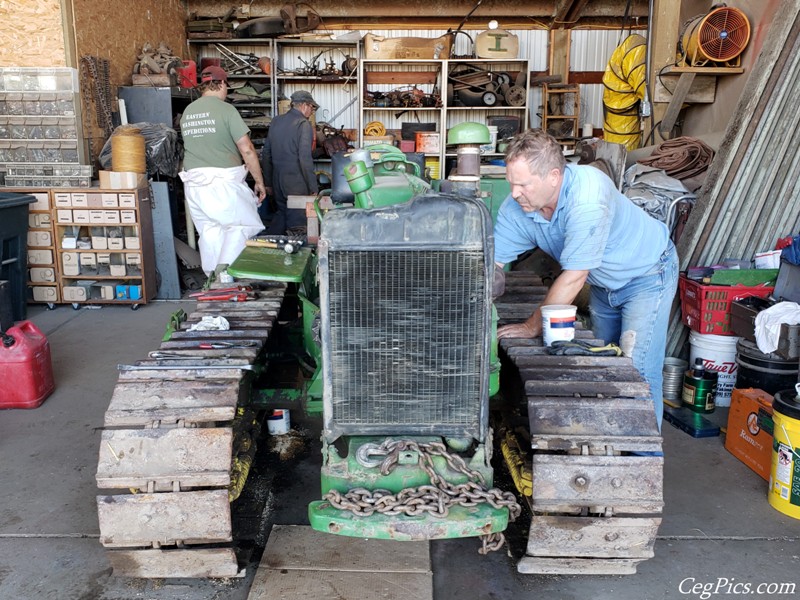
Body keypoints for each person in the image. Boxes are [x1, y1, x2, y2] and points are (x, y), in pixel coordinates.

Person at [493, 129, 678, 429]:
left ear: (554, 176)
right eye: (511, 183)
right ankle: (608, 442)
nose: (514, 193)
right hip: (604, 285)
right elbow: (493, 265)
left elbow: (575, 277)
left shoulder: (587, 197)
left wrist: (530, 327)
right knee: (601, 369)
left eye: (523, 184)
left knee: (638, 374)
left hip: (647, 275)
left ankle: (644, 460)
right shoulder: (517, 208)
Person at [179, 65, 266, 276]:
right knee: (240, 226)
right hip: (222, 183)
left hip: (195, 186)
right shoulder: (226, 110)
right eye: (227, 86)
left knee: (210, 232)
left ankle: (212, 280)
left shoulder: (188, 112)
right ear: (221, 84)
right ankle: (228, 277)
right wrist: (259, 182)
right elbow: (247, 149)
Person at [261, 90, 319, 235]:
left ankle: (267, 245)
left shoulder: (276, 121)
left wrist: (268, 182)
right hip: (296, 183)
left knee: (282, 215)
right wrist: (313, 188)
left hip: (277, 181)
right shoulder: (303, 124)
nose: (312, 112)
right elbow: (305, 158)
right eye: (312, 107)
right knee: (297, 226)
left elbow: (266, 153)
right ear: (305, 105)